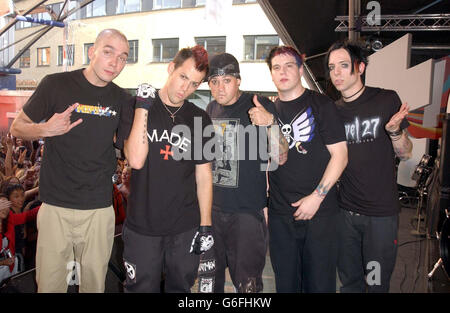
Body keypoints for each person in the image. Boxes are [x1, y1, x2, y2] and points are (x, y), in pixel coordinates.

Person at [10, 28, 133, 293]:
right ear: (92, 52)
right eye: (108, 52)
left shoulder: (123, 99)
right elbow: (17, 127)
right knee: (50, 286)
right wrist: (46, 129)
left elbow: (128, 151)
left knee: (94, 286)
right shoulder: (56, 84)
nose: (116, 62)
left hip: (99, 209)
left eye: (123, 57)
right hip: (56, 207)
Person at [116, 45, 215, 293]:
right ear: (171, 68)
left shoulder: (199, 118)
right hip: (143, 226)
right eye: (183, 77)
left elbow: (203, 175)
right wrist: (143, 106)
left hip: (185, 226)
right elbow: (136, 160)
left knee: (180, 289)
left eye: (194, 84)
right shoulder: (135, 106)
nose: (186, 88)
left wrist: (206, 225)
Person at [326, 40, 413, 293]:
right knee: (349, 283)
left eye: (343, 65)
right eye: (332, 68)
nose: (337, 73)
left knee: (375, 284)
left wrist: (395, 132)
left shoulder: (386, 100)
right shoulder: (331, 112)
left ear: (360, 67)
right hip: (345, 214)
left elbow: (406, 154)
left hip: (381, 216)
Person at [265, 46, 348, 292]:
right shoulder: (268, 110)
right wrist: (266, 204)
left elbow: (340, 156)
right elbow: (269, 161)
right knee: (286, 285)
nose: (282, 72)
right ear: (271, 74)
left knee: (319, 285)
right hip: (281, 214)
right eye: (276, 67)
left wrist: (316, 197)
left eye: (289, 65)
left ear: (300, 70)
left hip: (320, 212)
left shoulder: (322, 104)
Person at [205, 53, 288, 292]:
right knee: (209, 283)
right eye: (214, 82)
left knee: (248, 285)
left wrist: (270, 123)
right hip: (212, 212)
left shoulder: (258, 103)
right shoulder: (211, 108)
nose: (220, 88)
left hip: (246, 214)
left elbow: (281, 156)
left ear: (238, 80)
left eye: (227, 80)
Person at [0, 194, 39, 285]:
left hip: (8, 269)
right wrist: (2, 262)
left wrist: (47, 206)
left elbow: (29, 215)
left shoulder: (10, 219)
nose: (5, 208)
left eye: (7, 205)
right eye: (2, 205)